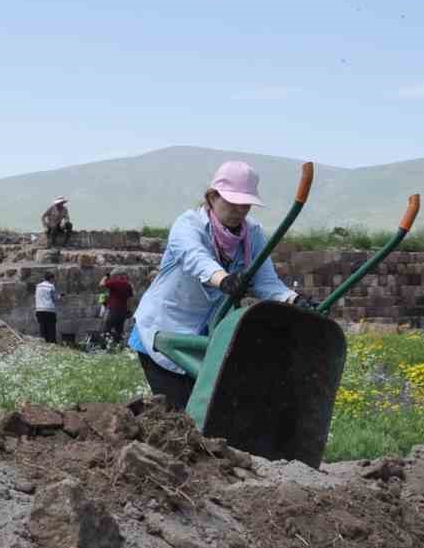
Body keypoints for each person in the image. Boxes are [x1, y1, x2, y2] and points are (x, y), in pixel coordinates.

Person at [128, 161, 307, 409]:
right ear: (212, 197)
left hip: (207, 335)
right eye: (232, 202)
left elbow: (266, 280)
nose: (239, 210)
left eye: (245, 204)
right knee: (180, 411)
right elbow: (194, 257)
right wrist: (223, 279)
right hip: (164, 332)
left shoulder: (253, 233)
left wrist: (293, 299)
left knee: (213, 410)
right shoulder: (188, 225)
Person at [99, 271, 134, 348]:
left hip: (113, 309)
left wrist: (106, 276)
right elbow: (130, 299)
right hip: (123, 311)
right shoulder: (128, 285)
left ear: (117, 275)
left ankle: (103, 348)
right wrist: (129, 310)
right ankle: (118, 347)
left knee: (106, 329)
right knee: (119, 330)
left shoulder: (114, 282)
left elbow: (101, 284)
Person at [34, 272, 61, 343]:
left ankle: (44, 343)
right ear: (51, 278)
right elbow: (54, 298)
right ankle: (52, 344)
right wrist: (60, 296)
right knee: (51, 329)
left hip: (39, 310)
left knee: (43, 328)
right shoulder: (51, 286)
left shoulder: (38, 286)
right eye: (53, 279)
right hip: (49, 310)